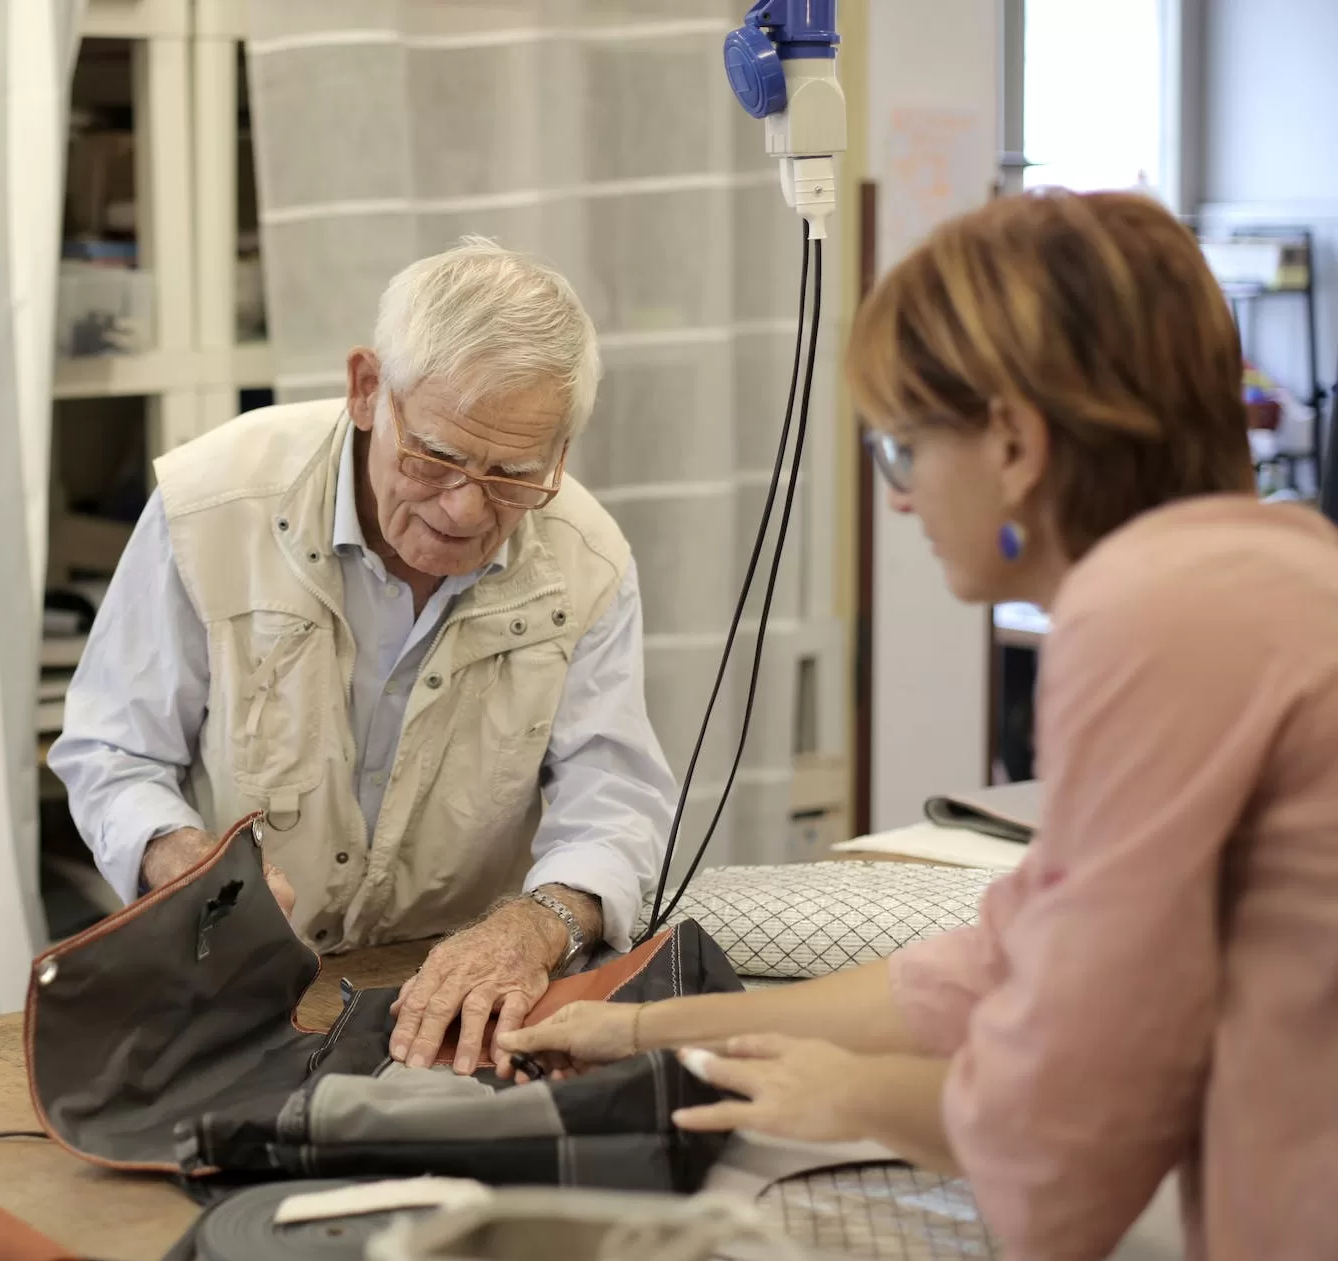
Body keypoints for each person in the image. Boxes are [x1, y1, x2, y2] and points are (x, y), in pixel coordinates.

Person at [498, 190, 1338, 1259]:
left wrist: (859, 1096)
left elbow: (1073, 1122)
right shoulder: (1265, 567)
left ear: (1013, 443)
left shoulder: (1151, 613)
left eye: (901, 447)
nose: (897, 497)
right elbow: (994, 966)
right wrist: (636, 1026)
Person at [50, 238, 675, 1077]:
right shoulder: (213, 506)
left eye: (514, 474)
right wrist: (186, 862)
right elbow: (112, 749)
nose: (463, 507)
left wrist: (529, 928)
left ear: (558, 454)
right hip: (230, 986)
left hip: (452, 998)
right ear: (369, 390)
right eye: (438, 456)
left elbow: (615, 799)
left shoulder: (586, 558)